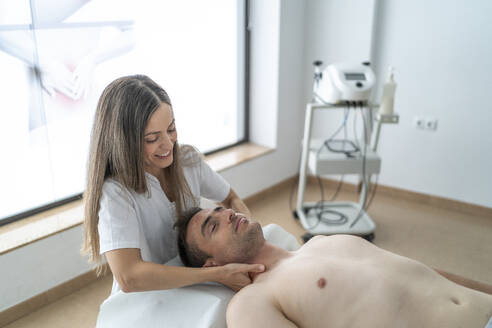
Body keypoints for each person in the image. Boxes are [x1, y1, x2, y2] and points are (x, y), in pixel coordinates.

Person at [81, 75, 264, 295]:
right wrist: (218, 274)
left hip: (194, 281)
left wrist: (245, 238)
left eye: (171, 128)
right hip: (149, 292)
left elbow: (230, 198)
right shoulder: (115, 193)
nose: (168, 144)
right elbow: (129, 277)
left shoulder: (187, 161)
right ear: (124, 142)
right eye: (152, 138)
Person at [176, 206, 492, 328]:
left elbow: (419, 271)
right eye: (212, 226)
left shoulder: (319, 242)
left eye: (221, 209)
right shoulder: (249, 303)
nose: (227, 214)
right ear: (212, 264)